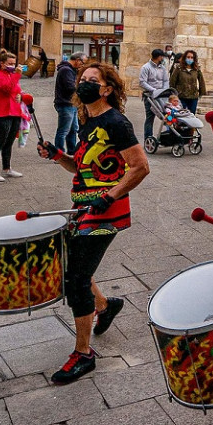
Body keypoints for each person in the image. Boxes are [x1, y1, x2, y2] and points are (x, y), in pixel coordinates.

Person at [37, 63, 149, 384]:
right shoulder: (86, 122)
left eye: (92, 81)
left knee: (76, 278)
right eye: (81, 79)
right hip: (82, 206)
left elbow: (140, 167)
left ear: (107, 89)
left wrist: (110, 195)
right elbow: (81, 169)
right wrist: (57, 154)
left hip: (105, 211)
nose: (84, 84)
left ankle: (84, 353)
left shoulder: (116, 122)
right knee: (73, 265)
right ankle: (104, 305)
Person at [0, 49, 24, 182]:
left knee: (9, 142)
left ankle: (7, 168)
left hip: (14, 111)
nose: (13, 66)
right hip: (1, 112)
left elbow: (16, 90)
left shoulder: (11, 75)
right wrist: (17, 75)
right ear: (2, 63)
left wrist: (21, 95)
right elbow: (7, 88)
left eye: (14, 63)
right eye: (10, 63)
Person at [139, 48, 170, 142]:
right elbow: (142, 82)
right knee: (150, 117)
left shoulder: (162, 68)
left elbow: (165, 80)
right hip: (150, 95)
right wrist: (154, 90)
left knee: (166, 115)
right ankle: (148, 138)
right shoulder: (146, 67)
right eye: (162, 57)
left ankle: (170, 134)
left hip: (161, 96)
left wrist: (165, 90)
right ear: (158, 57)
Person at [53, 55, 79, 155]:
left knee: (73, 129)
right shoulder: (66, 70)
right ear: (77, 60)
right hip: (65, 103)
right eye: (82, 62)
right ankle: (59, 153)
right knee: (63, 130)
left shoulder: (71, 70)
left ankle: (71, 152)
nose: (82, 65)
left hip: (72, 104)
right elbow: (70, 87)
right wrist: (80, 86)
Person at [170, 49, 206, 114]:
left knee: (192, 115)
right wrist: (173, 93)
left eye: (192, 57)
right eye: (188, 57)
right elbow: (172, 81)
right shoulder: (178, 68)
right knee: (181, 115)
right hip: (181, 96)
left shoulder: (196, 69)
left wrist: (201, 93)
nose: (190, 59)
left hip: (193, 96)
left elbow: (201, 81)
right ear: (185, 58)